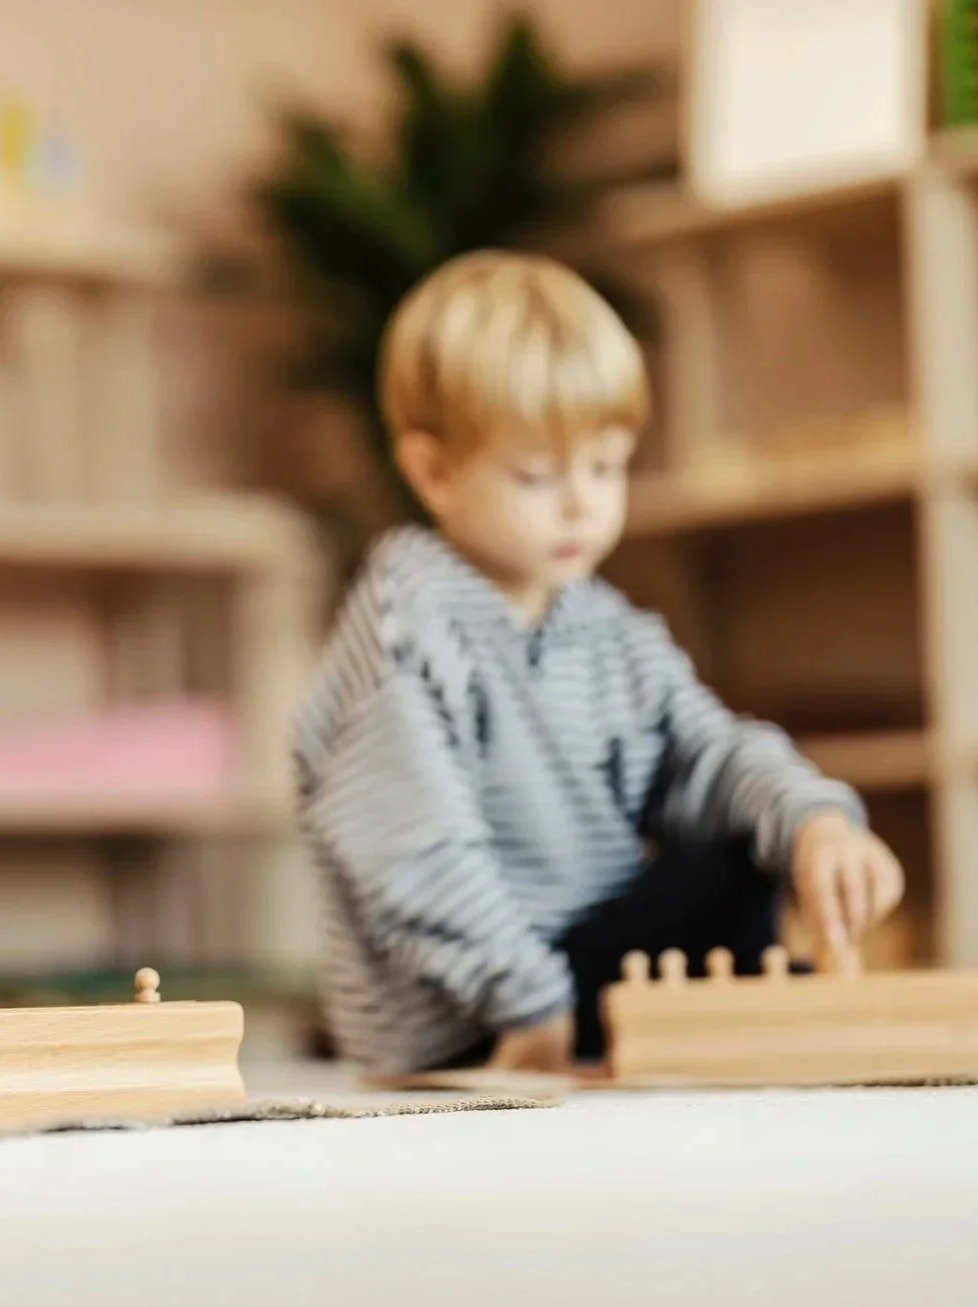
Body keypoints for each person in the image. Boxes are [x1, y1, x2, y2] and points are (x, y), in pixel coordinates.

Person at [292, 250, 905, 1077]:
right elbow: (413, 848)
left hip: (585, 967)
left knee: (738, 850)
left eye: (607, 465)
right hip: (475, 1013)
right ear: (434, 474)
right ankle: (694, 1016)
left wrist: (813, 823)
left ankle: (742, 1013)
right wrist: (529, 1003)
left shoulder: (606, 626)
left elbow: (710, 753)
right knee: (729, 922)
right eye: (539, 474)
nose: (584, 500)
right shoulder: (410, 617)